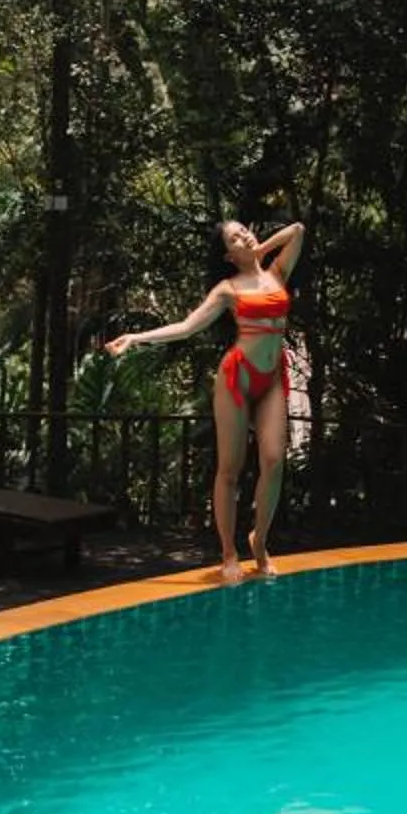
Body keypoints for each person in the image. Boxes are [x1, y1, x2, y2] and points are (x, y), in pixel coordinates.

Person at [105, 219, 304, 582]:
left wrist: (261, 250)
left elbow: (298, 230)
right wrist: (136, 337)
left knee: (274, 461)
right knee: (230, 469)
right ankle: (229, 551)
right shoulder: (228, 289)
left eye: (245, 230)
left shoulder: (278, 273)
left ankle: (258, 541)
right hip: (237, 377)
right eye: (235, 238)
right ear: (228, 255)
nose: (245, 235)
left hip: (272, 379)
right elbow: (187, 326)